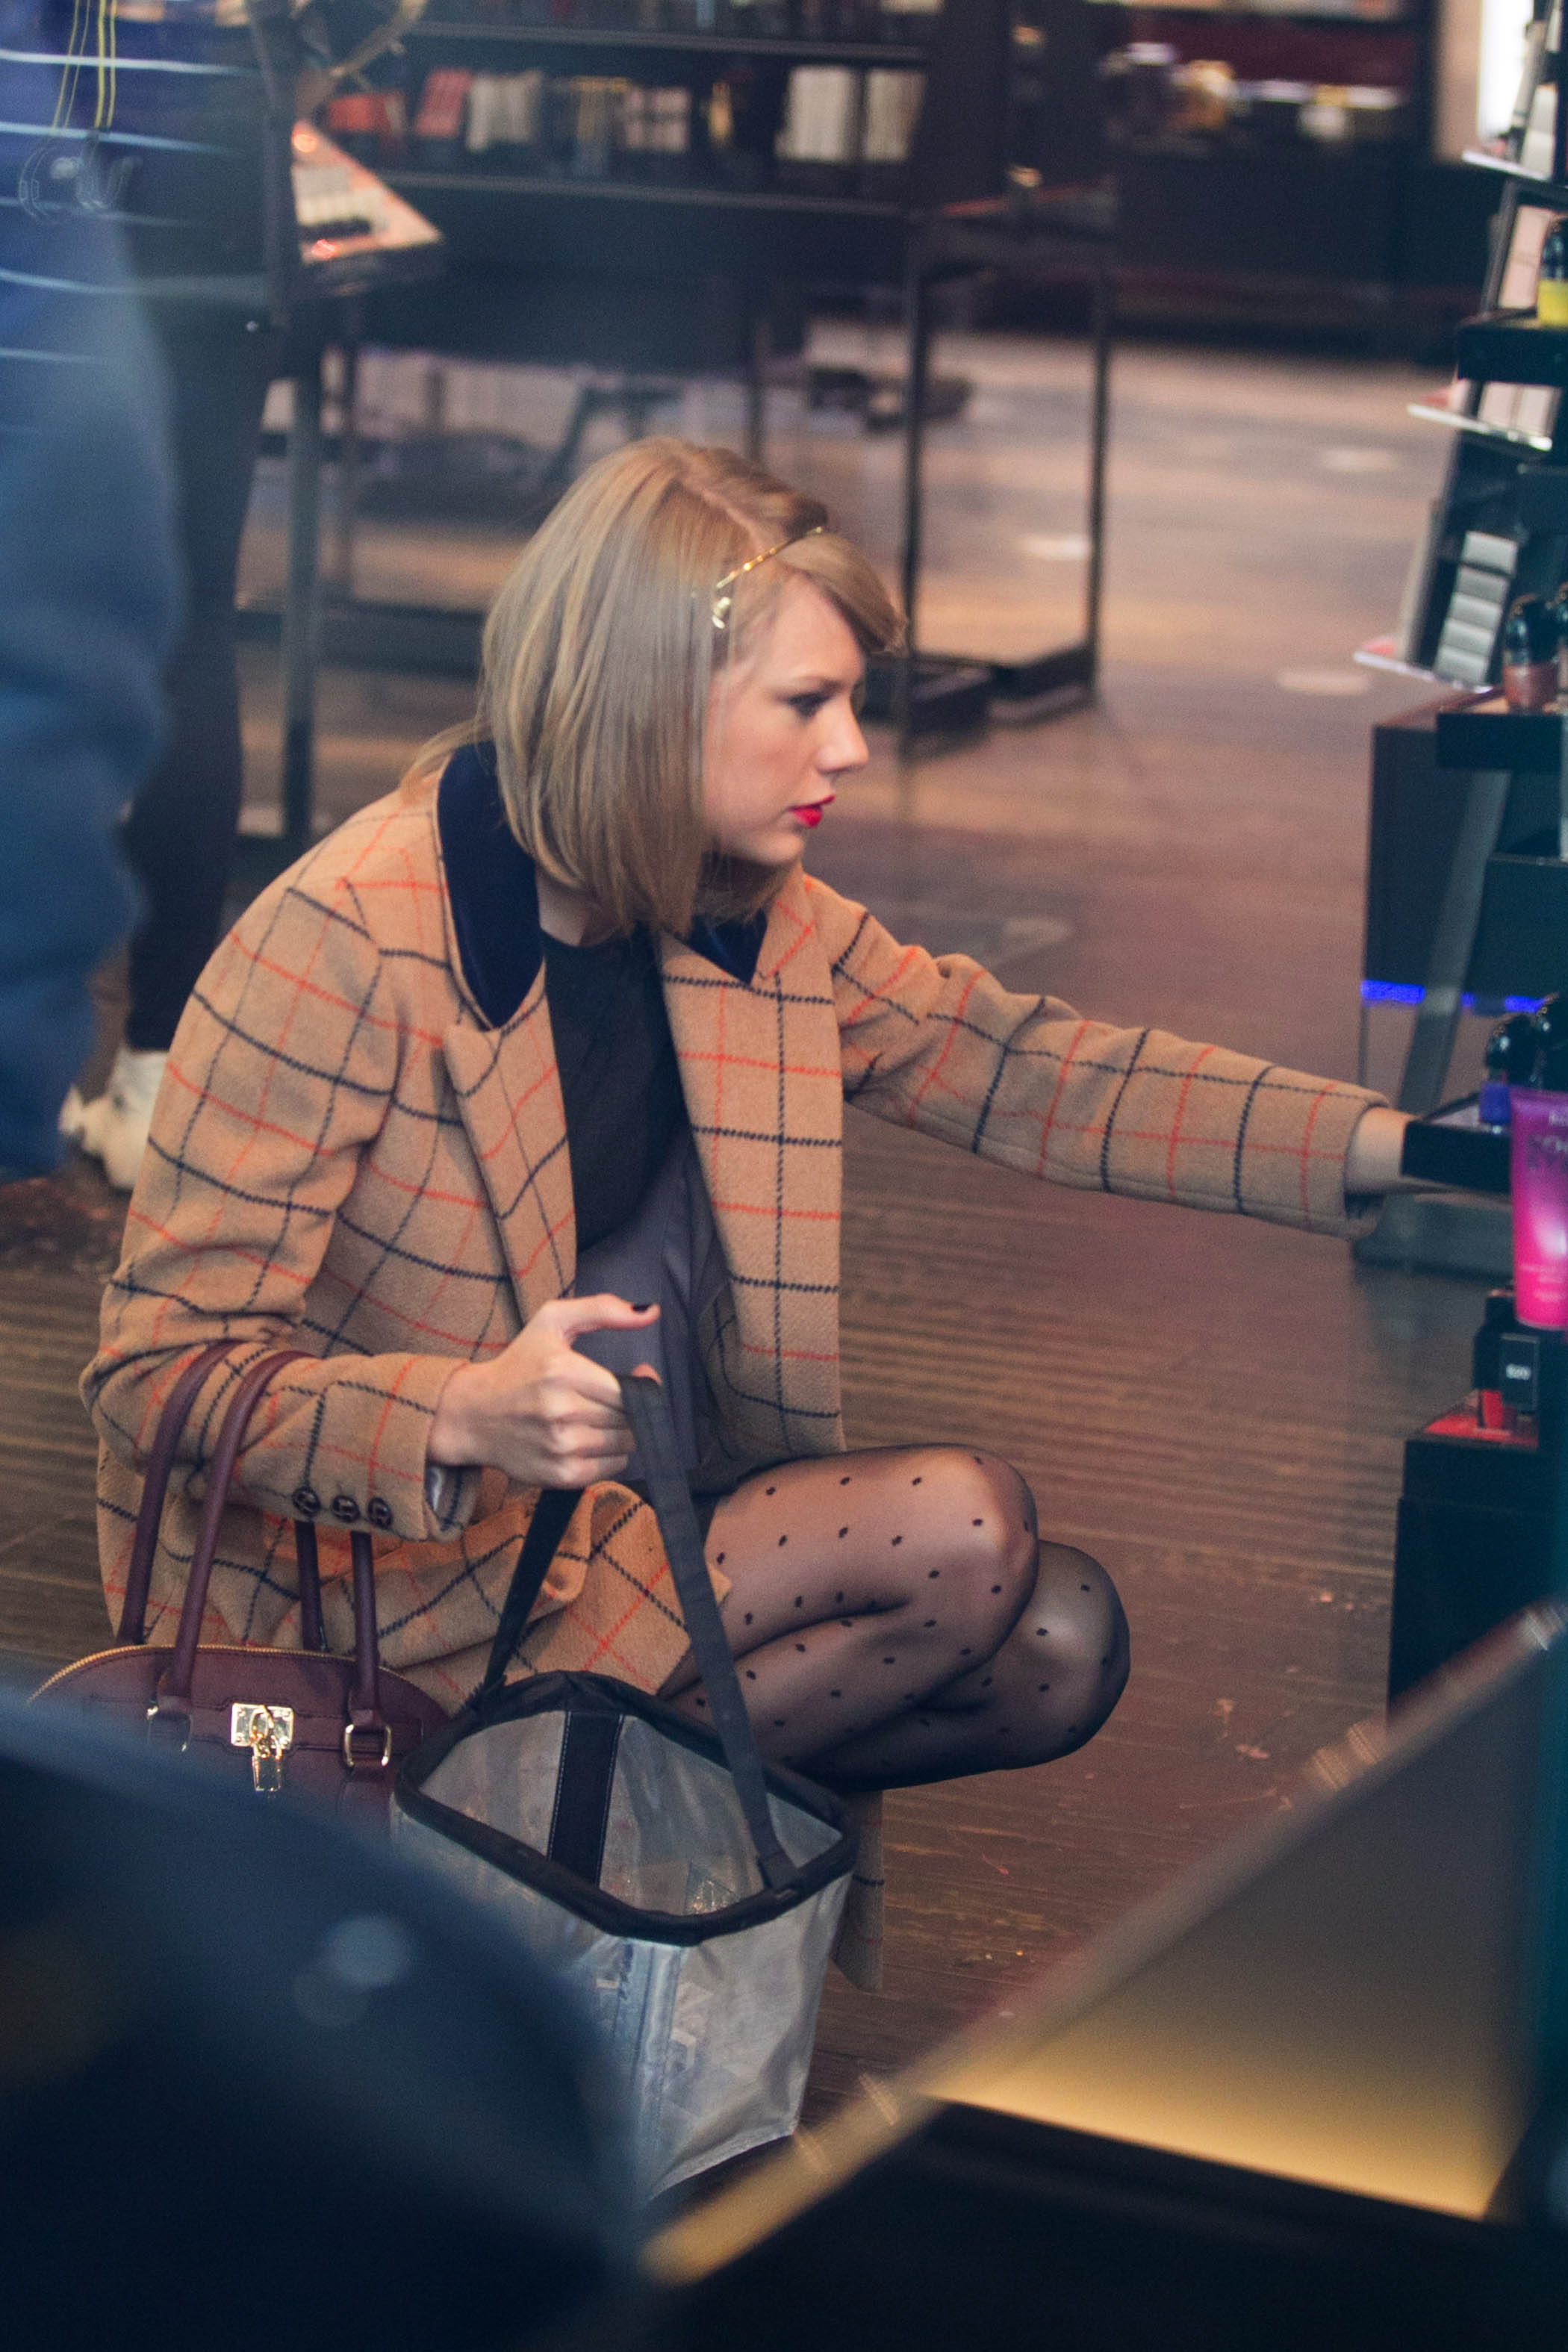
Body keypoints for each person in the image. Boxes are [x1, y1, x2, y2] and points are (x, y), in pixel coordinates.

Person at [84, 438, 1415, 1983]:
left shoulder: (733, 908)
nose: (850, 747)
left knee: (1056, 1646)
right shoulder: (341, 942)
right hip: (379, 1601)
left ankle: (522, 1857)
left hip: (602, 1529)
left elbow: (1027, 1066)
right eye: (806, 702)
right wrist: (456, 1413)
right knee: (962, 1537)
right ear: (650, 698)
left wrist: (1421, 1149)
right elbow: (155, 1374)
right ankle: (495, 1847)